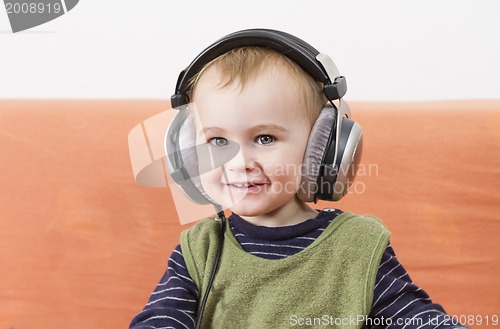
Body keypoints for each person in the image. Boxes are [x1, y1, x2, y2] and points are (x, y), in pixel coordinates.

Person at [130, 29, 467, 329]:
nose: (239, 163)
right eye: (218, 141)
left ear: (321, 149)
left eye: (264, 138)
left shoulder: (357, 246)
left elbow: (417, 319)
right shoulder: (200, 251)